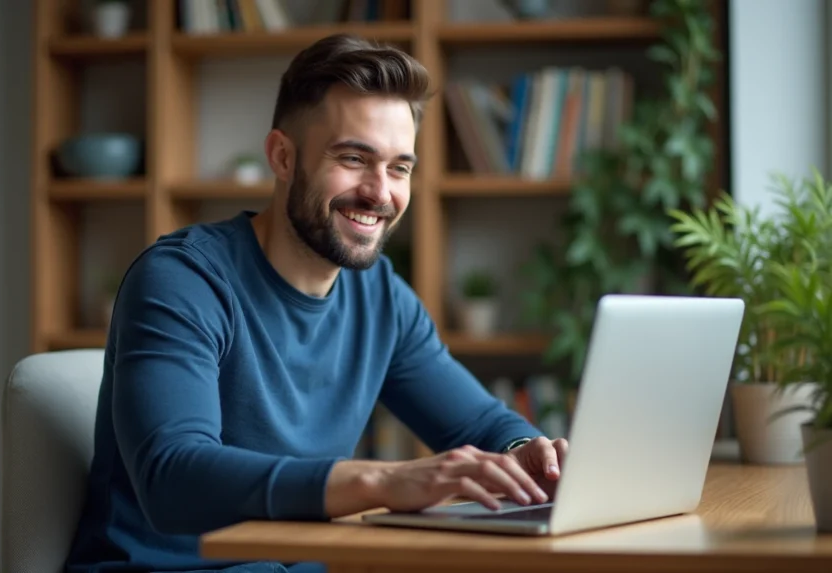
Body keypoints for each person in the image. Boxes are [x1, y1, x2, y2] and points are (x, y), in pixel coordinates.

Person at [64, 33, 568, 573]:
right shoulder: (182, 280)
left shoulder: (380, 297)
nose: (380, 192)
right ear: (282, 156)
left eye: (400, 167)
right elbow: (172, 477)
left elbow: (482, 422)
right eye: (354, 158)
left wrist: (529, 450)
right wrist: (383, 480)